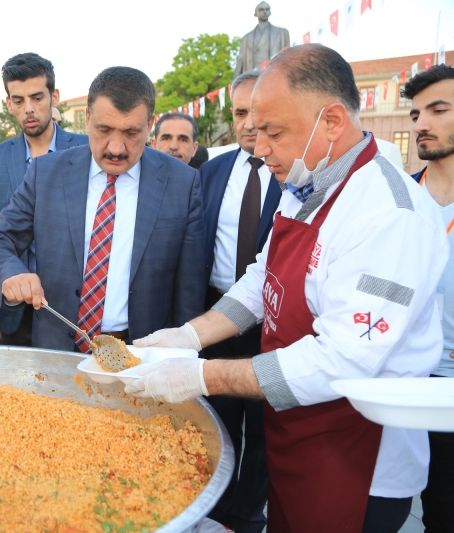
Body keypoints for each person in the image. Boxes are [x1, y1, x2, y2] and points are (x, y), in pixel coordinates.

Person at [127, 44, 447, 533]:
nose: (259, 149)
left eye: (274, 133)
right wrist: (189, 336)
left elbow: (341, 359)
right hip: (297, 429)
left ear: (333, 121)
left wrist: (201, 376)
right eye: (256, 132)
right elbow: (262, 278)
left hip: (359, 457)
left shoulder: (391, 216)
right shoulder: (306, 185)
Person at [0, 66, 206, 351]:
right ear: (87, 119)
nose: (115, 147)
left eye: (131, 133)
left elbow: (189, 292)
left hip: (140, 356)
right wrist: (11, 272)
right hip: (57, 349)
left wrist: (180, 359)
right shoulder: (46, 173)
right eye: (104, 130)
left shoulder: (182, 183)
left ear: (149, 126)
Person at [197, 69, 282, 533]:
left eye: (259, 112)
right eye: (240, 112)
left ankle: (249, 514)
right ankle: (214, 511)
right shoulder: (210, 173)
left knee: (268, 430)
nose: (249, 123)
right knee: (218, 424)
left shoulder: (296, 173)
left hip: (278, 329)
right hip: (217, 319)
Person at [0, 53, 88, 347]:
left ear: (54, 96)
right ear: (8, 103)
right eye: (18, 100)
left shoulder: (85, 148)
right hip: (16, 309)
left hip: (73, 307)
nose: (28, 109)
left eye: (37, 97)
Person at [402, 64, 454, 533]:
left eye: (439, 110)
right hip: (404, 377)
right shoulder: (398, 199)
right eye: (416, 113)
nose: (421, 123)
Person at [235, 1, 290, 76]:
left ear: (270, 12)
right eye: (261, 10)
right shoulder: (246, 38)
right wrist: (235, 81)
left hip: (274, 75)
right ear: (255, 13)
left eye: (267, 9)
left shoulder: (282, 33)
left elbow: (289, 57)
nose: (264, 12)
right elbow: (240, 60)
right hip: (253, 76)